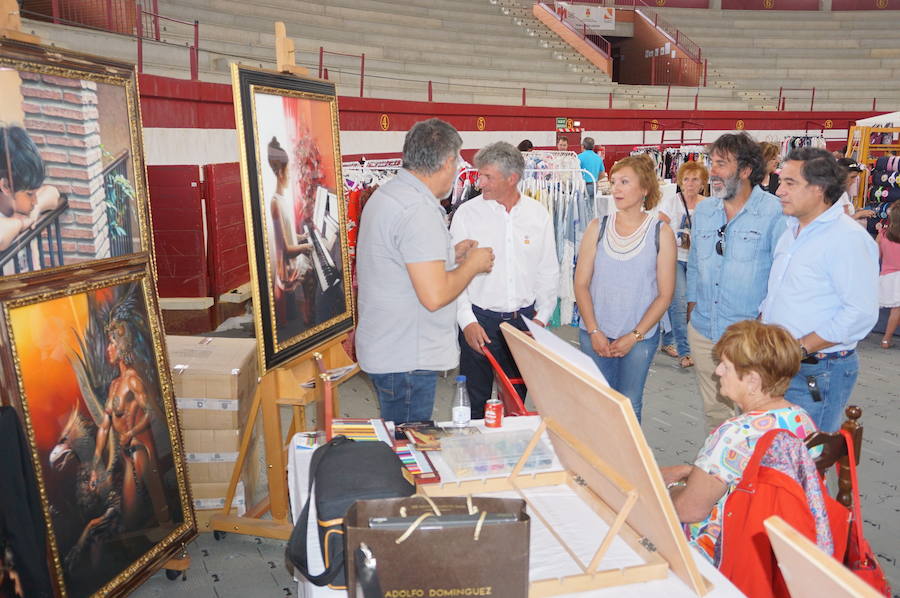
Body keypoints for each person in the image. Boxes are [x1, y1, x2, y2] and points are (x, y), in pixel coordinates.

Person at [356, 118, 494, 425]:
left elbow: (401, 261)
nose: (458, 171)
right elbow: (434, 296)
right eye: (457, 163)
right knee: (410, 451)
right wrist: (472, 265)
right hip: (407, 357)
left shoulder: (391, 194)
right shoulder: (418, 210)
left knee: (400, 440)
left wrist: (450, 255)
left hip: (391, 347)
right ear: (446, 161)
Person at [661, 320, 819, 564]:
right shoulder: (802, 420)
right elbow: (759, 477)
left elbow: (690, 510)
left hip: (731, 549)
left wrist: (667, 490)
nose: (718, 372)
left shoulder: (733, 435)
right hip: (781, 542)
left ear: (753, 381)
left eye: (726, 366)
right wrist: (692, 472)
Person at [761, 147, 879, 433]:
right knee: (777, 456)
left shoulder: (847, 239)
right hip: (782, 364)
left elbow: (859, 314)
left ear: (819, 189)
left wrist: (799, 348)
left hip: (817, 369)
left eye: (790, 183)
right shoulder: (791, 230)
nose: (779, 191)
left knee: (805, 463)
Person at [450, 142, 559, 418]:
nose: (479, 182)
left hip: (523, 324)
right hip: (480, 322)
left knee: (515, 404)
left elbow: (548, 271)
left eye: (488, 176)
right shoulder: (467, 214)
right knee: (474, 403)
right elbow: (454, 271)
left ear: (512, 179)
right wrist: (467, 321)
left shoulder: (538, 215)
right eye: (479, 174)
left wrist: (540, 321)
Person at [687, 132, 786, 432]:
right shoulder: (704, 210)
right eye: (711, 163)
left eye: (721, 164)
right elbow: (694, 263)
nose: (712, 171)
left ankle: (751, 478)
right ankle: (722, 475)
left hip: (749, 336)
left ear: (745, 170)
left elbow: (782, 275)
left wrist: (764, 323)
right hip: (704, 330)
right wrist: (693, 308)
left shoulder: (775, 213)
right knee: (716, 414)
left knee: (755, 417)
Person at [575, 154, 676, 422]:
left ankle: (628, 464)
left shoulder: (661, 232)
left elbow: (665, 294)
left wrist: (635, 335)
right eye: (614, 181)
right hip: (595, 332)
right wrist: (594, 330)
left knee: (630, 404)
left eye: (624, 182)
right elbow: (581, 284)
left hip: (640, 337)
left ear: (644, 189)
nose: (616, 188)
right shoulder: (597, 227)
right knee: (598, 404)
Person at [659, 161, 709, 368]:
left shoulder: (708, 205)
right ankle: (685, 351)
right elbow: (659, 228)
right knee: (679, 302)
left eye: (695, 179)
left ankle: (670, 340)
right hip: (675, 258)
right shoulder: (671, 202)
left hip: (699, 261)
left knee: (694, 304)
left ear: (703, 183)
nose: (690, 183)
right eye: (686, 179)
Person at [267, 137, 313, 329]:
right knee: (314, 273)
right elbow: (285, 249)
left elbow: (289, 236)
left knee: (315, 262)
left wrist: (303, 238)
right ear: (280, 172)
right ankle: (309, 320)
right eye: (288, 171)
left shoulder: (282, 199)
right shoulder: (276, 202)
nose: (291, 175)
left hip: (291, 259)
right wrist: (307, 246)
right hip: (287, 269)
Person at [0, 125, 63, 252]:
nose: (34, 201)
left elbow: (53, 193)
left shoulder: (21, 202)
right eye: (29, 194)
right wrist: (21, 223)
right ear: (6, 186)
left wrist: (36, 210)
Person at [877, 202, 900, 349]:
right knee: (896, 310)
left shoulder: (883, 235)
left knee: (895, 310)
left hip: (886, 276)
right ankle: (886, 339)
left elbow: (875, 256)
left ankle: (886, 338)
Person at [835, 158, 875, 224]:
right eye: (852, 177)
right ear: (841, 175)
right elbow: (842, 222)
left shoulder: (840, 192)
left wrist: (855, 211)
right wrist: (859, 214)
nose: (854, 181)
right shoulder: (837, 193)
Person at [577, 137, 606, 202]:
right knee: (592, 207)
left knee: (582, 208)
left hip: (583, 186)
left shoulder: (579, 157)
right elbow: (602, 175)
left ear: (583, 146)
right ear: (593, 146)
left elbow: (575, 174)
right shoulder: (598, 158)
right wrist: (594, 178)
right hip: (594, 185)